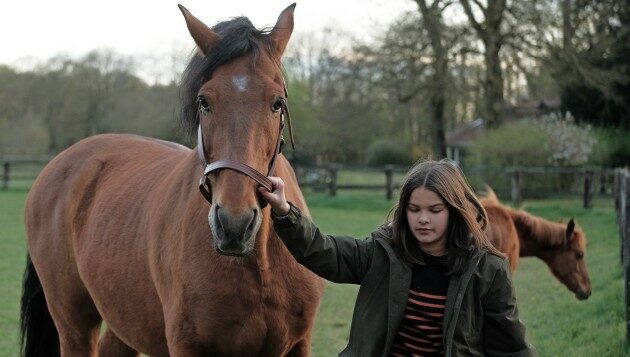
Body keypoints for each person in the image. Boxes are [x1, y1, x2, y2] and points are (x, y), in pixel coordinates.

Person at [259, 159, 536, 357]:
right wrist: (284, 210)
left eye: (435, 210)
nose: (423, 219)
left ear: (455, 211)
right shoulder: (384, 252)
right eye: (414, 209)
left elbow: (510, 346)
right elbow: (323, 251)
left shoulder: (488, 270)